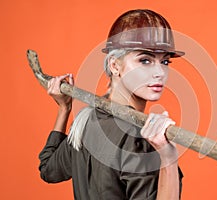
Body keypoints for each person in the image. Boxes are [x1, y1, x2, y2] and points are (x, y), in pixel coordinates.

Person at [39, 9, 184, 199]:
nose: (159, 73)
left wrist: (64, 109)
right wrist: (168, 158)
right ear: (115, 66)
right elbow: (50, 170)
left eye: (164, 62)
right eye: (145, 60)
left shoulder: (86, 122)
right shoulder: (138, 140)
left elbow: (47, 169)